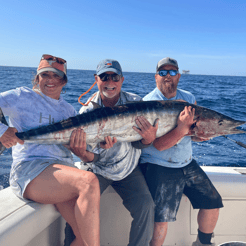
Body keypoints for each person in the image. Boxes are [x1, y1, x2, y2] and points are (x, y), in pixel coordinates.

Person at [0, 54, 101, 246]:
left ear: (64, 81)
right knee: (89, 182)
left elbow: (84, 151)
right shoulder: (22, 96)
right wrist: (2, 130)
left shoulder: (69, 111)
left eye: (56, 76)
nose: (50, 80)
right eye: (45, 75)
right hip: (31, 170)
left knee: (84, 237)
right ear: (37, 78)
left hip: (63, 171)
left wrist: (89, 148)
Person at [64, 59, 158, 246]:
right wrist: (88, 151)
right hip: (97, 169)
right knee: (77, 208)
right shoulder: (87, 110)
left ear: (122, 79)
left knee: (146, 206)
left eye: (114, 77)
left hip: (128, 168)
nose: (109, 82)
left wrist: (149, 138)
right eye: (104, 77)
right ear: (96, 79)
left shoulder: (136, 103)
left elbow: (139, 145)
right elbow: (90, 157)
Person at [140, 57, 224, 246]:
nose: (167, 76)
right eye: (163, 72)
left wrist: (198, 136)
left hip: (186, 162)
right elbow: (159, 145)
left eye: (171, 72)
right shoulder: (147, 103)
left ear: (178, 76)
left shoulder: (189, 98)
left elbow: (188, 132)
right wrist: (182, 129)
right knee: (162, 219)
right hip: (158, 164)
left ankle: (202, 244)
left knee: (213, 202)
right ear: (156, 77)